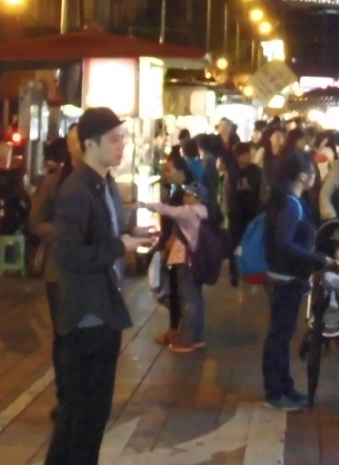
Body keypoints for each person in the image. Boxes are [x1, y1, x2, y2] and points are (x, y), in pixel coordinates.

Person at [45, 107, 146, 465]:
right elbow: (69, 255)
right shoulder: (77, 189)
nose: (122, 146)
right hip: (87, 313)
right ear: (90, 144)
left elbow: (105, 234)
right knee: (86, 412)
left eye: (123, 139)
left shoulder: (105, 183)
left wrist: (131, 233)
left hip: (104, 308)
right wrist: (120, 246)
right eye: (114, 140)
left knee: (83, 411)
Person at [262, 150, 334, 411]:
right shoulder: (291, 204)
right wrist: (316, 258)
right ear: (303, 176)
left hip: (285, 276)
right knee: (280, 336)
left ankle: (285, 386)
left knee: (282, 334)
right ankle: (275, 391)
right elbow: (284, 242)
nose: (315, 177)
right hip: (285, 278)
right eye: (313, 172)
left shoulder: (287, 200)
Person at [31, 136, 76, 420]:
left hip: (93, 274)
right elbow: (36, 222)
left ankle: (82, 396)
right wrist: (63, 233)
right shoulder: (53, 183)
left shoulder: (101, 182)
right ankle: (65, 397)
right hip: (59, 271)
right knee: (64, 335)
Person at [145, 182, 211, 353]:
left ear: (197, 198)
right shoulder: (203, 211)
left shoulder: (190, 212)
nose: (184, 198)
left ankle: (187, 339)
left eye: (188, 195)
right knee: (196, 298)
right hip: (196, 260)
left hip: (185, 259)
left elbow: (168, 210)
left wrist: (143, 204)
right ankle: (198, 336)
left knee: (187, 299)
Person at [227, 143, 264, 286]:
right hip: (236, 213)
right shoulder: (231, 171)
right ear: (237, 156)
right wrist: (228, 209)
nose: (248, 156)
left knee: (251, 242)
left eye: (248, 153)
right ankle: (234, 272)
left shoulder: (257, 171)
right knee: (234, 243)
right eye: (244, 154)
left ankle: (250, 270)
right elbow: (226, 192)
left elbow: (262, 191)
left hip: (252, 213)